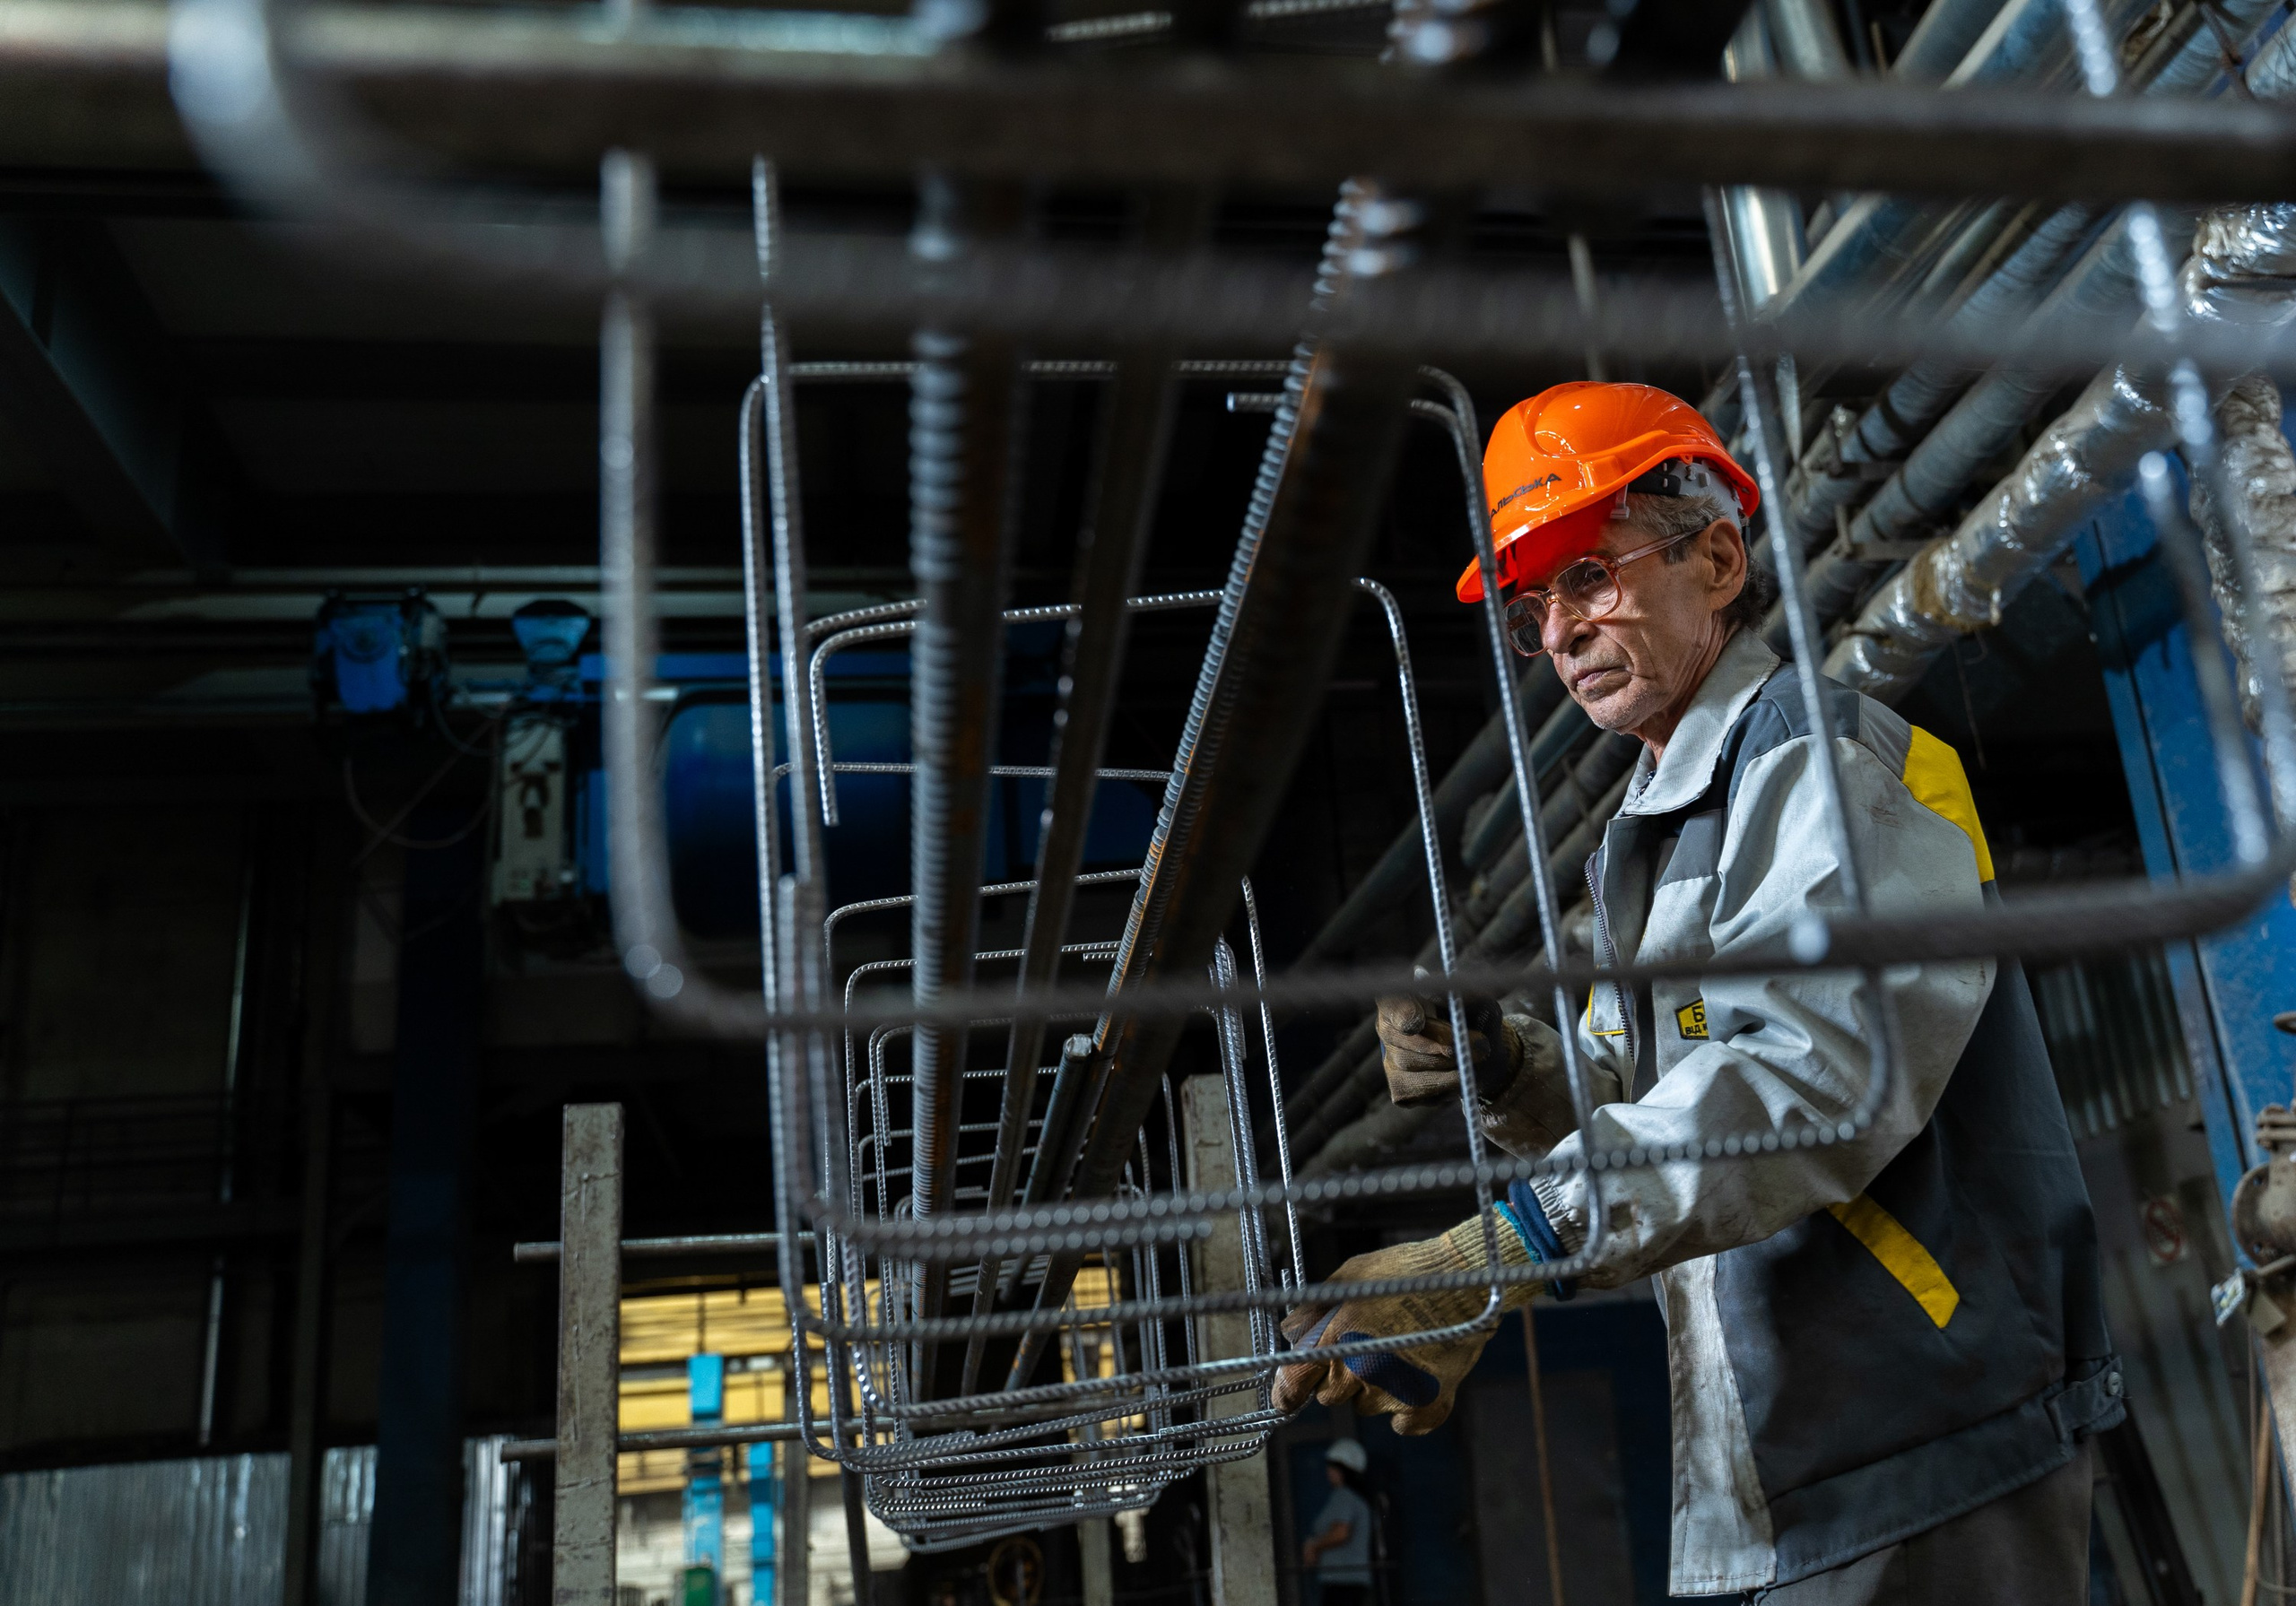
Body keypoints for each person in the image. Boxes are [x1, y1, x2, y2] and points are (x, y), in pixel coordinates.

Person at [1274, 382, 2119, 1604]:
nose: (1559, 631)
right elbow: (1649, 1098)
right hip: (1787, 1468)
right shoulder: (1656, 832)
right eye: (1532, 607)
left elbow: (1816, 1076)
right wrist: (1508, 1067)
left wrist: (1497, 1248)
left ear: (1716, 557)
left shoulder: (1827, 762)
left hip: (1923, 1431)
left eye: (1588, 576)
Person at [1300, 1438, 1378, 1606]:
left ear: (1344, 1470)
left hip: (1344, 1579)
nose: (1329, 1471)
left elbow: (1341, 1532)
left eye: (1333, 1466)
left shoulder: (1345, 1497)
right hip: (1346, 1579)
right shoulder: (1352, 1498)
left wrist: (1313, 1545)